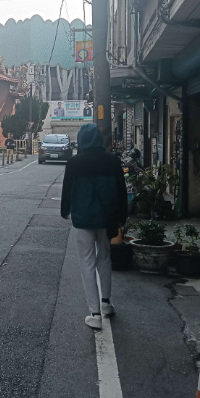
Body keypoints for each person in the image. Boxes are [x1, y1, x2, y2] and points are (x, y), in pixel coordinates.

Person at [60, 123, 127, 330]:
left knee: (86, 262)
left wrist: (65, 211)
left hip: (84, 219)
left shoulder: (74, 162)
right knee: (104, 257)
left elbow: (67, 190)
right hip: (106, 219)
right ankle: (106, 303)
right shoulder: (112, 160)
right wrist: (121, 217)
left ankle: (95, 313)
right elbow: (121, 190)